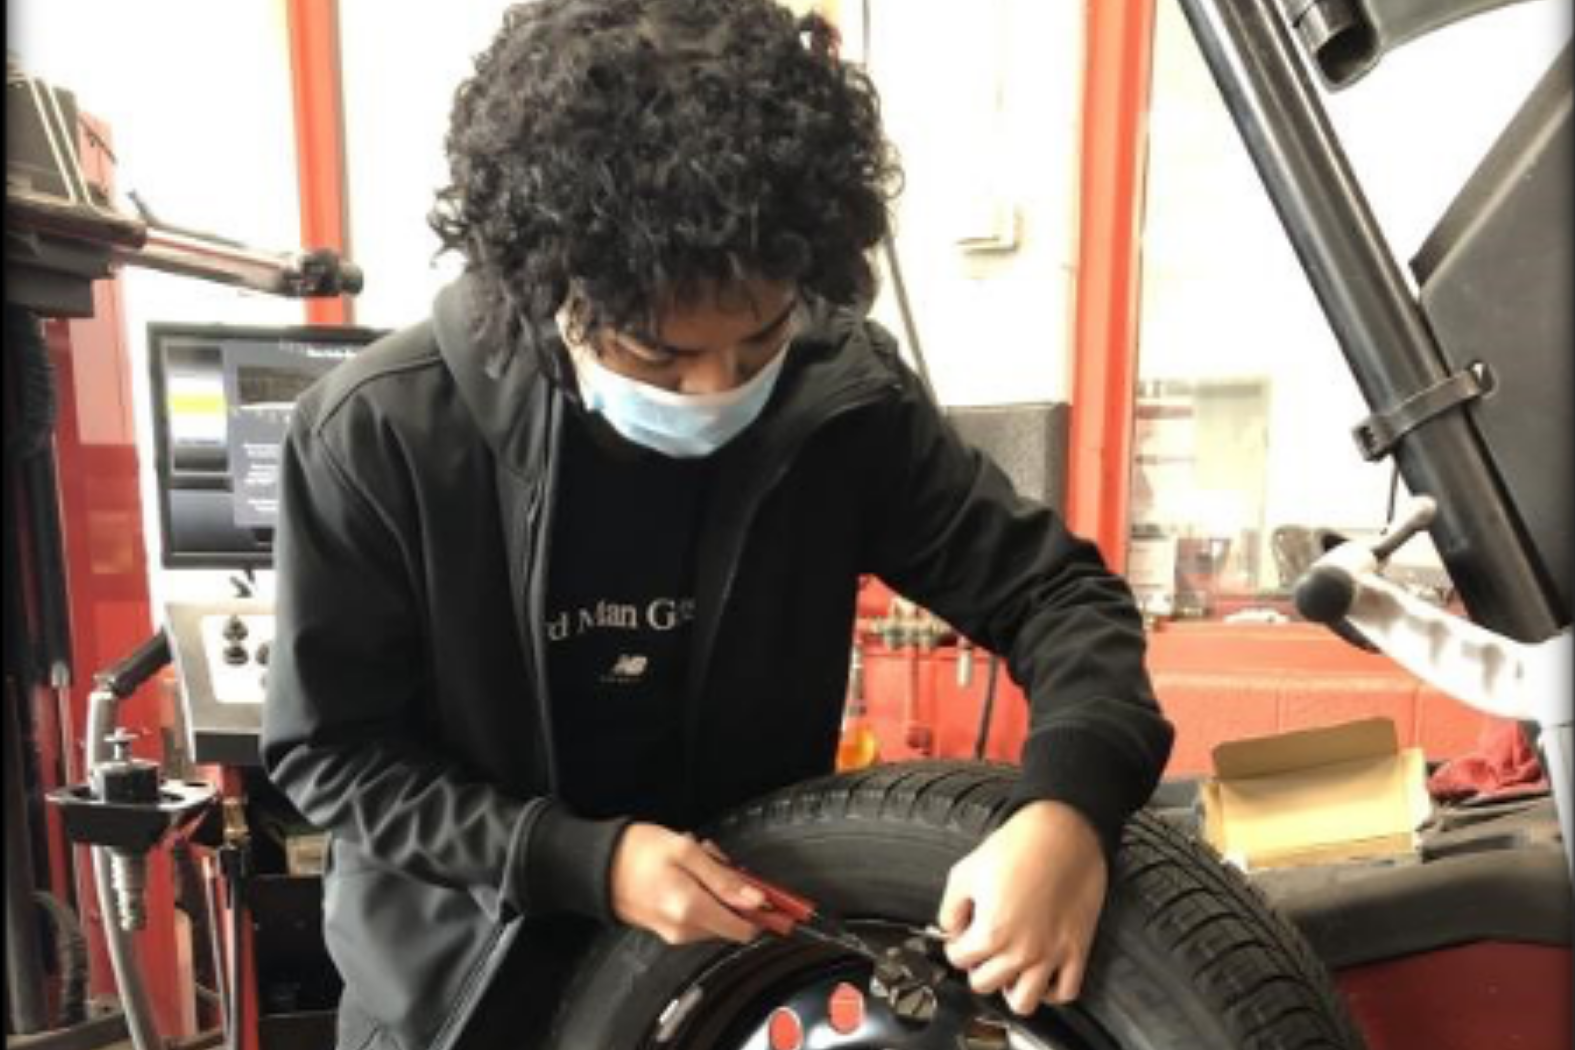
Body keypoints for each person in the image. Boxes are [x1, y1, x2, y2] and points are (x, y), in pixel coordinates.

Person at [260, 1, 1174, 1047]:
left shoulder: (840, 400)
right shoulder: (378, 434)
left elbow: (1060, 597)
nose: (714, 389)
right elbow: (336, 755)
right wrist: (582, 860)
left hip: (723, 990)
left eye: (757, 342)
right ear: (545, 284)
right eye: (658, 357)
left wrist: (1067, 809)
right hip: (458, 1000)